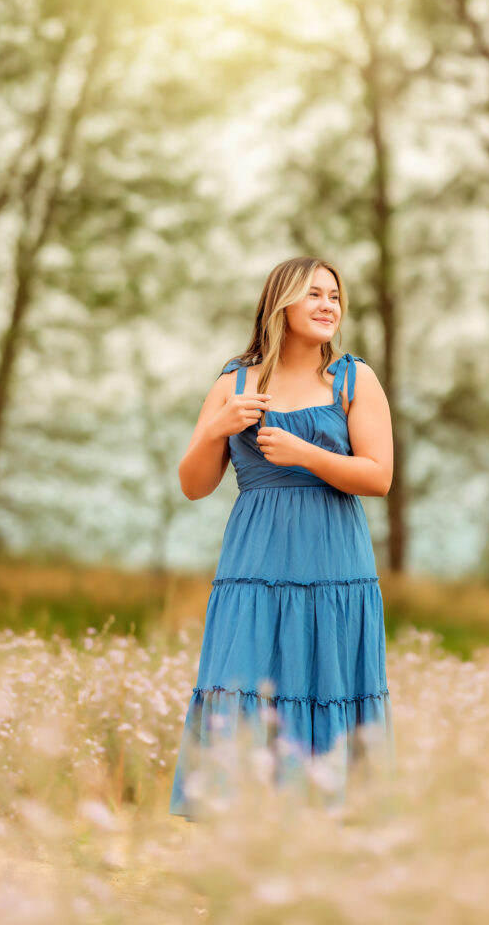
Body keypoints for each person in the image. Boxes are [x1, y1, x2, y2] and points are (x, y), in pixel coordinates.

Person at [168, 256, 395, 820]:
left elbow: (380, 476)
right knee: (239, 678)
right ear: (280, 304)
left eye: (335, 297)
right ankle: (239, 831)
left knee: (327, 679)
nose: (327, 307)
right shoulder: (234, 381)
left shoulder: (352, 378)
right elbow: (194, 485)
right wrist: (218, 429)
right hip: (254, 564)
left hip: (333, 562)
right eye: (314, 295)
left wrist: (308, 455)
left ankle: (330, 831)